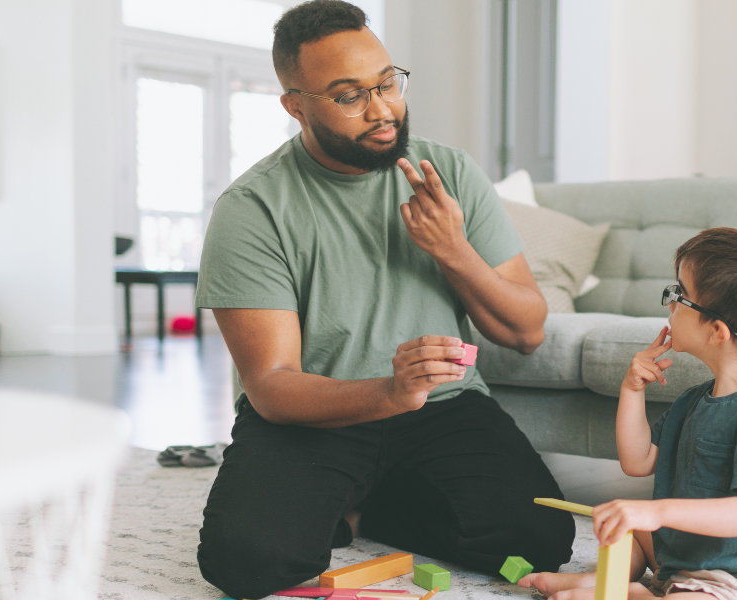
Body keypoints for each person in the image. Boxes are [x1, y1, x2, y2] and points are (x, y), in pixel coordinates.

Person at [193, 1, 575, 598]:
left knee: (539, 542)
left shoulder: (447, 171)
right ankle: (348, 494)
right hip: (317, 412)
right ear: (296, 105)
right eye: (349, 96)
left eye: (387, 82)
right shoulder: (253, 209)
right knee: (248, 564)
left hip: (443, 406)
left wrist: (454, 249)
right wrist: (389, 392)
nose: (382, 109)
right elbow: (270, 383)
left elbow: (526, 331)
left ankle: (366, 509)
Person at [520, 227, 737, 600]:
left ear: (717, 331)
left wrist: (659, 512)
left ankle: (627, 593)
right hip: (684, 560)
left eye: (680, 295)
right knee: (631, 528)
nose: (671, 305)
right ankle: (620, 585)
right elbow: (637, 461)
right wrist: (632, 390)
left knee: (666, 553)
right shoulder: (696, 399)